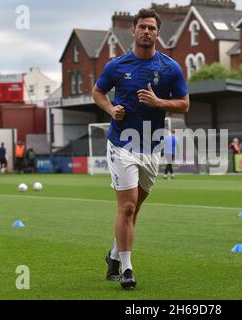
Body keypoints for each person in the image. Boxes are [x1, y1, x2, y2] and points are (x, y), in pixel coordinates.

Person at [92, 8, 189, 289]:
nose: (147, 31)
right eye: (142, 27)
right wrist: (111, 109)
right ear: (133, 31)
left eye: (152, 28)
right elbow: (97, 92)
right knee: (128, 206)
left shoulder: (170, 68)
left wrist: (159, 103)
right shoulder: (116, 66)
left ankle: (112, 255)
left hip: (152, 146)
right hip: (122, 143)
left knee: (134, 210)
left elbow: (184, 104)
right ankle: (127, 268)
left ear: (158, 33)